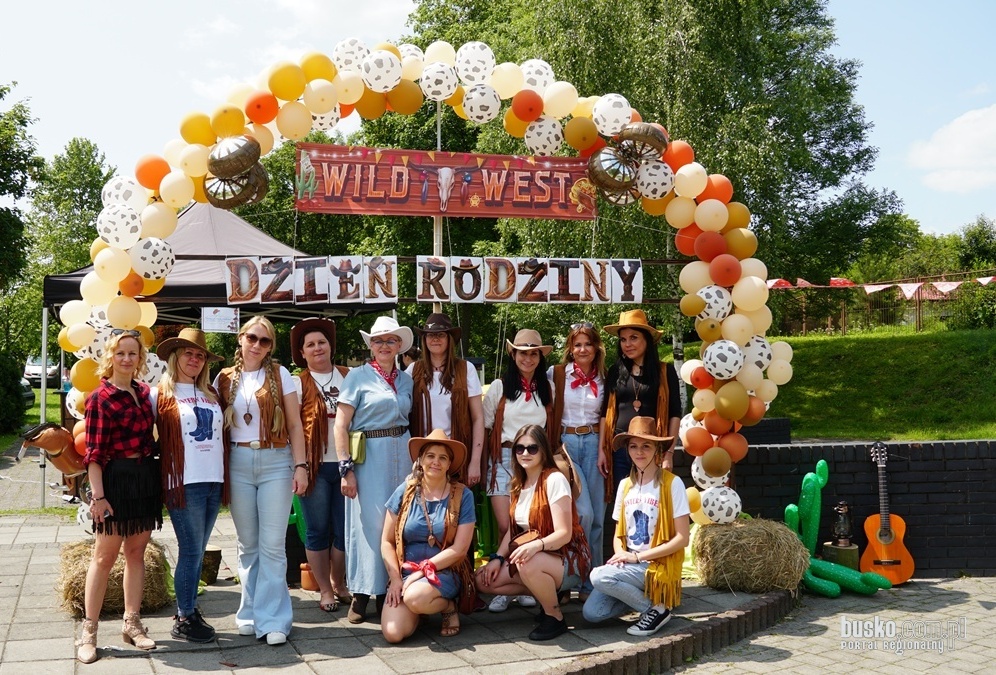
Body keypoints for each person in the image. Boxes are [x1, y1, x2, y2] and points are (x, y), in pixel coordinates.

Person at [214, 316, 309, 646]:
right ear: (240, 338)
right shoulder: (223, 377)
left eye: (264, 340)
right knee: (248, 544)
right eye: (252, 337)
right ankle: (250, 613)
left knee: (272, 545)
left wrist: (301, 466)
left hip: (275, 461)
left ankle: (274, 619)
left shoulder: (281, 375)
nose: (257, 344)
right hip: (238, 462)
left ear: (270, 347)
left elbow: (295, 425)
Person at [77, 329, 162, 664]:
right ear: (110, 356)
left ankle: (132, 623)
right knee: (104, 557)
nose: (127, 359)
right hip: (115, 481)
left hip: (144, 479)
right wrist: (98, 498)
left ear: (140, 358)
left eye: (132, 353)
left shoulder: (144, 393)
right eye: (120, 353)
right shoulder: (100, 398)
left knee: (137, 553)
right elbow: (93, 455)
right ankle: (89, 632)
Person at [475, 424, 590, 641]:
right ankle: (548, 596)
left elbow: (564, 533)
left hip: (567, 558)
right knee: (483, 579)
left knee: (526, 562)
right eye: (519, 448)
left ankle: (554, 617)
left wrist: (536, 546)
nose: (525, 453)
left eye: (532, 448)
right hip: (536, 557)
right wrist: (497, 559)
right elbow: (512, 532)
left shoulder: (554, 479)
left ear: (543, 451)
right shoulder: (518, 484)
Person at [333, 315, 414, 624]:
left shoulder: (406, 379)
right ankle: (362, 592)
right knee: (368, 524)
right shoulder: (357, 376)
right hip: (369, 455)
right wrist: (346, 469)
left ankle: (388, 592)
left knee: (398, 523)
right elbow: (341, 425)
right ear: (371, 345)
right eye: (378, 340)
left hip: (401, 453)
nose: (384, 345)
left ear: (399, 345)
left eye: (390, 340)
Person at [582, 416, 690, 637]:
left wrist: (638, 557)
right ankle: (650, 601)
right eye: (633, 446)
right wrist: (621, 554)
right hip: (631, 563)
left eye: (646, 446)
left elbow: (682, 538)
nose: (639, 452)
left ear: (657, 449)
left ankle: (654, 610)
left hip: (656, 564)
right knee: (592, 613)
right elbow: (618, 533)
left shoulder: (672, 484)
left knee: (599, 577)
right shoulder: (625, 485)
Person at [153, 327, 226, 643]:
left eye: (200, 355)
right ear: (175, 357)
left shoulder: (212, 393)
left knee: (197, 552)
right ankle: (184, 617)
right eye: (188, 353)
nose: (194, 359)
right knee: (191, 550)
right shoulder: (160, 394)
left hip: (213, 480)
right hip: (183, 483)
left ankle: (190, 609)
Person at [482, 328, 557, 613]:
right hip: (504, 456)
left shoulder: (547, 389)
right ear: (513, 355)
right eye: (522, 353)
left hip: (534, 458)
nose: (528, 358)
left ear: (540, 357)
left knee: (528, 526)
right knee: (506, 526)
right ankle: (505, 583)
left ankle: (523, 582)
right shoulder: (499, 387)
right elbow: (486, 425)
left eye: (533, 353)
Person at [380, 429, 476, 643]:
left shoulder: (463, 495)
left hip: (445, 571)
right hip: (407, 575)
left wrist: (422, 571)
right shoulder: (405, 491)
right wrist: (395, 579)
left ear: (449, 464)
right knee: (393, 633)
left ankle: (448, 607)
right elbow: (386, 541)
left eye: (443, 458)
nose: (436, 462)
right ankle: (420, 610)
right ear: (420, 460)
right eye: (430, 456)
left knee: (415, 597)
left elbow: (460, 549)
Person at [290, 317, 351, 613]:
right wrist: (299, 466)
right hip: (314, 467)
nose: (317, 348)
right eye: (311, 344)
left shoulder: (349, 376)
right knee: (317, 530)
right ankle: (325, 589)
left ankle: (339, 582)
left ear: (330, 346)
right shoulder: (297, 383)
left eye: (322, 342)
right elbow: (293, 427)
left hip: (346, 465)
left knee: (344, 530)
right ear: (302, 353)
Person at [549, 322, 606, 596]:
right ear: (570, 349)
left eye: (588, 344)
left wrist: (604, 449)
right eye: (577, 344)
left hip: (595, 443)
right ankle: (569, 575)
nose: (583, 349)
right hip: (567, 444)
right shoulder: (557, 374)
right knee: (582, 513)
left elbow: (607, 415)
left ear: (596, 348)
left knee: (598, 518)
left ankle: (592, 582)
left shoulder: (605, 377)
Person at [598, 310, 681, 497]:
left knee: (652, 500)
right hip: (620, 447)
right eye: (623, 339)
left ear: (647, 340)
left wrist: (669, 453)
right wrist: (602, 451)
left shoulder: (664, 371)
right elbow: (605, 413)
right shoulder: (615, 371)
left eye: (633, 338)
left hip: (652, 447)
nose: (627, 344)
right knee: (624, 500)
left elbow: (675, 413)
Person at [407, 312, 485, 487]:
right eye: (430, 335)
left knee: (456, 500)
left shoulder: (466, 369)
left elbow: (478, 418)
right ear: (424, 340)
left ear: (450, 339)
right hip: (424, 455)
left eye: (440, 334)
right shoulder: (413, 370)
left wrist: (474, 462)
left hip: (455, 452)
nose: (435, 339)